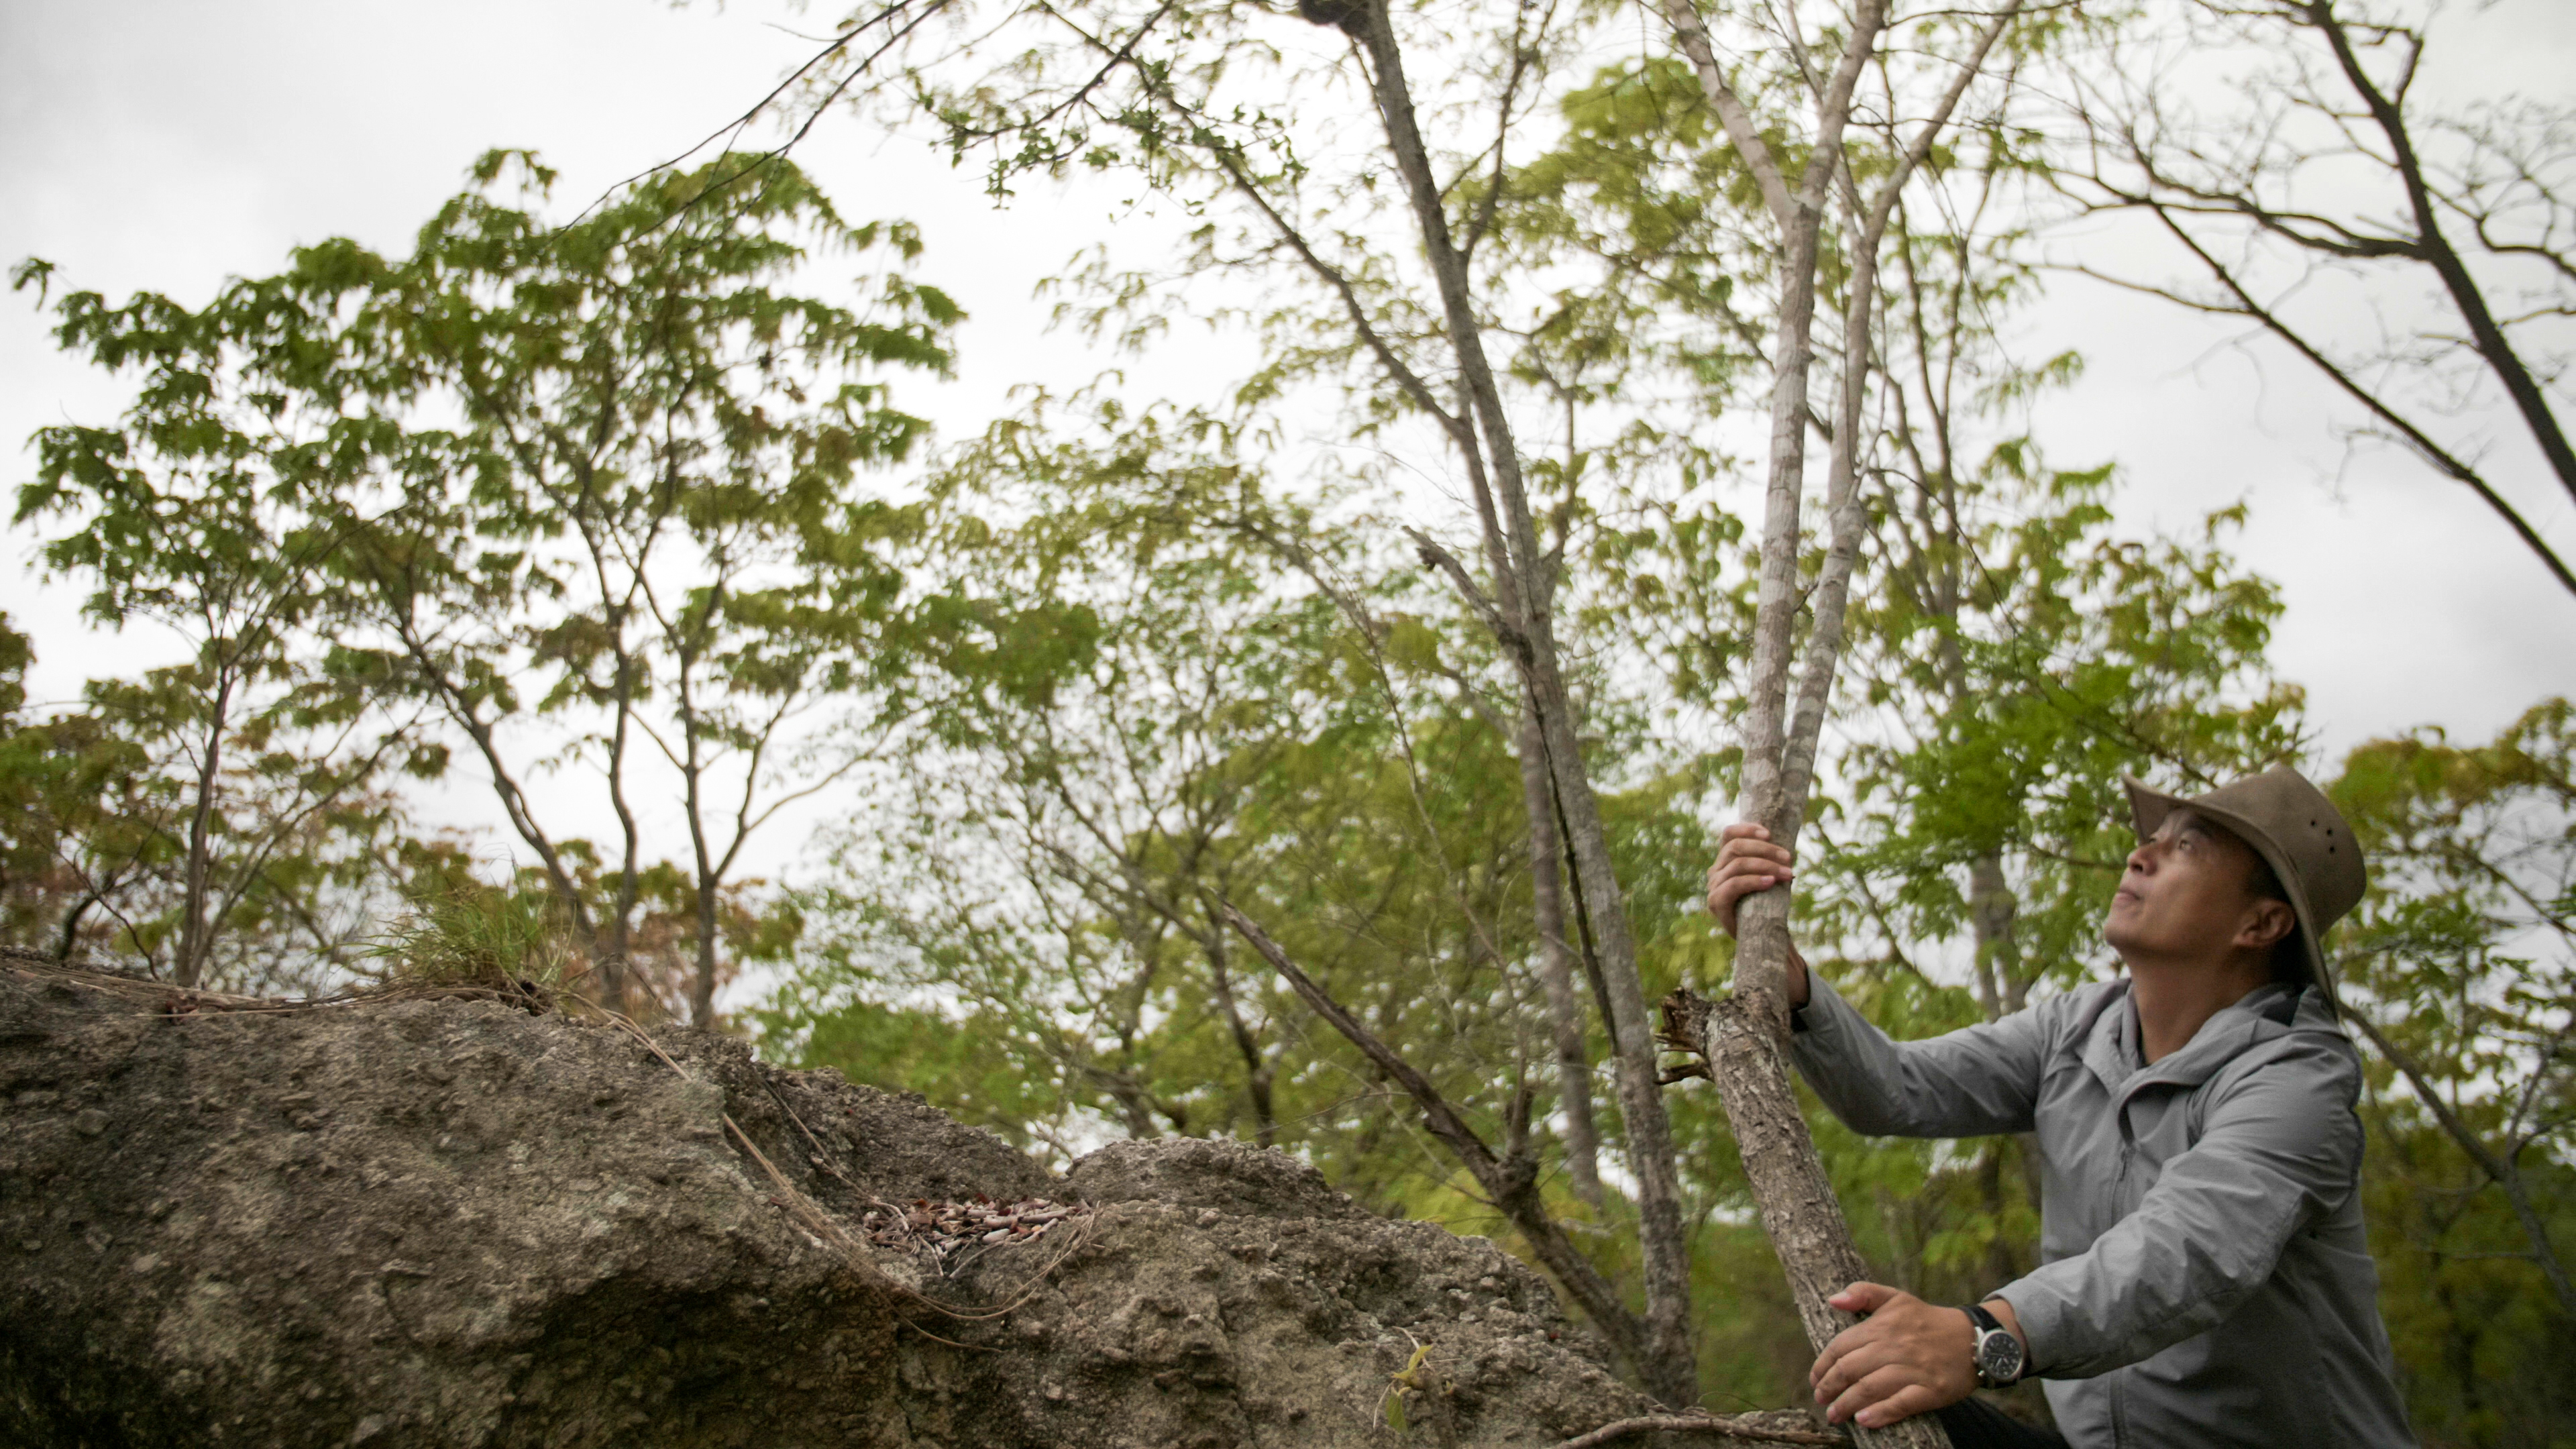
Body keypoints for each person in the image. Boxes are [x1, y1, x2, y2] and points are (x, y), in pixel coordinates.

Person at [1704, 767, 2415, 1448]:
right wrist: (1789, 979)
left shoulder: (2298, 1080)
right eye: (2153, 839)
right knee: (1868, 1403)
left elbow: (2191, 1249)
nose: (2140, 856)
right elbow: (1898, 1089)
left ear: (2261, 925)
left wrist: (1985, 1335)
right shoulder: (2077, 1029)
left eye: (2185, 849)